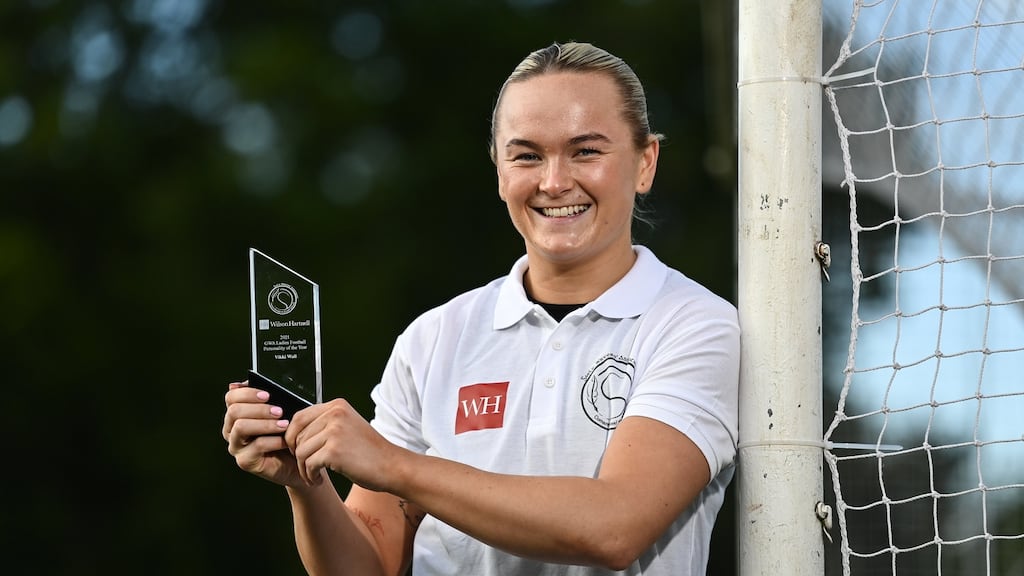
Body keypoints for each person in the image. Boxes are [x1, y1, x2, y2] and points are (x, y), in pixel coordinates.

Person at [223, 41, 740, 576]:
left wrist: (395, 465)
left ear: (645, 163)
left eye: (586, 151)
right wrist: (307, 487)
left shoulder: (695, 324)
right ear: (499, 171)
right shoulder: (435, 337)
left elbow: (613, 527)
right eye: (527, 155)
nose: (555, 181)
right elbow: (370, 565)